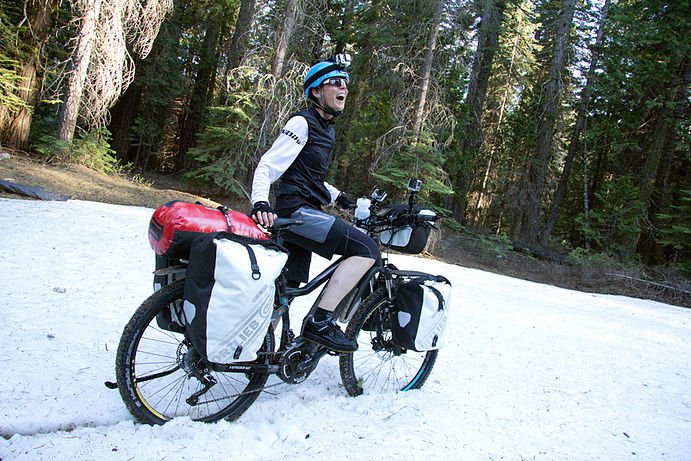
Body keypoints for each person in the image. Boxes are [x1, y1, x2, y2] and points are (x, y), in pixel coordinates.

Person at [250, 56, 379, 353]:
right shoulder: (302, 122)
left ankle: (257, 353)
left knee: (288, 288)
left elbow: (309, 176)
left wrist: (339, 197)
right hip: (297, 213)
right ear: (317, 91)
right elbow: (268, 165)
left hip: (305, 211)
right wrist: (260, 201)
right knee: (367, 249)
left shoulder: (326, 129)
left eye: (345, 83)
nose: (343, 87)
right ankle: (320, 322)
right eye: (335, 82)